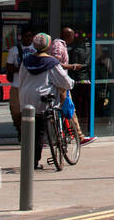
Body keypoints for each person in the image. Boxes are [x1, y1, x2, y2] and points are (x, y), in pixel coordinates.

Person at [13, 33, 75, 169]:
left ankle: (28, 159)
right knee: (40, 130)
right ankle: (34, 162)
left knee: (29, 131)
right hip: (43, 100)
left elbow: (22, 79)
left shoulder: (26, 61)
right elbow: (64, 81)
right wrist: (71, 83)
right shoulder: (51, 63)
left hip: (26, 99)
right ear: (48, 46)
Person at [61, 27, 93, 143]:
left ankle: (73, 134)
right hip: (81, 80)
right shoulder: (85, 48)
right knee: (74, 108)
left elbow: (74, 66)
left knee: (73, 108)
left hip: (76, 81)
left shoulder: (76, 49)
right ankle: (74, 134)